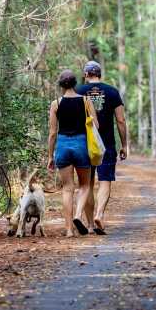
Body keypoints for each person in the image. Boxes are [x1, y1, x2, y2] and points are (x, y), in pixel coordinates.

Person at [76, 61, 127, 235]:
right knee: (105, 181)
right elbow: (120, 120)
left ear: (85, 75)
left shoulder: (78, 92)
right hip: (106, 144)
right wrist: (125, 144)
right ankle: (99, 215)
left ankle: (90, 225)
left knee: (87, 184)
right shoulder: (112, 92)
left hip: (85, 144)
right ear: (100, 74)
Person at [46, 69, 97, 237]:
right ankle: (77, 215)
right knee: (85, 185)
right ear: (75, 84)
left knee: (67, 188)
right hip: (81, 144)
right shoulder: (86, 101)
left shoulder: (56, 104)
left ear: (61, 84)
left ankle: (68, 230)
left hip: (63, 145)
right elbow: (96, 125)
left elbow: (53, 133)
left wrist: (50, 156)